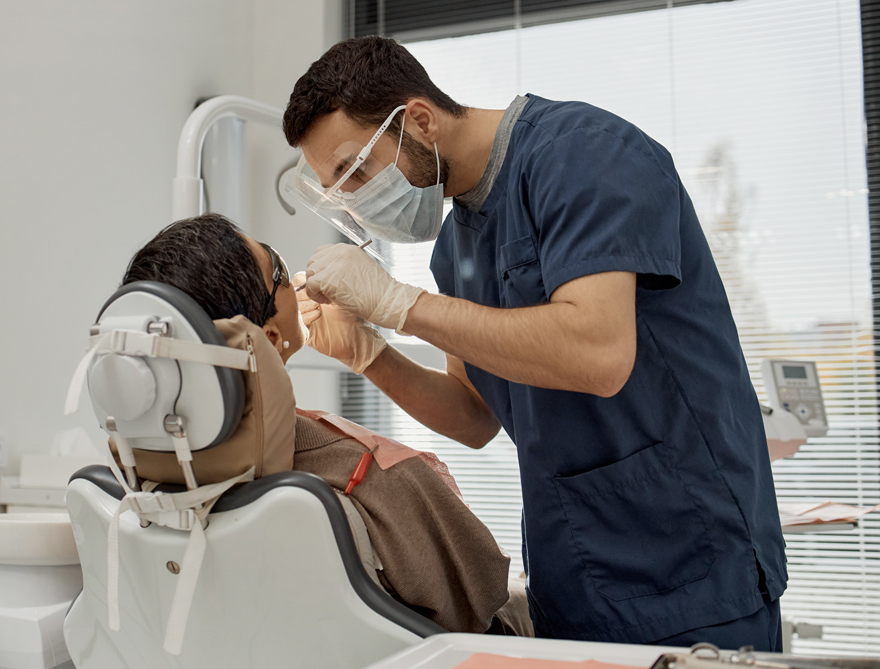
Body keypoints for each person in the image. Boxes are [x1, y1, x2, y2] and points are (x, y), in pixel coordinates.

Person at [283, 36, 786, 650]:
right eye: (338, 188)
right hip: (577, 572)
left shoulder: (584, 154)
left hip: (691, 561)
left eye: (355, 169)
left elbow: (599, 355)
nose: (356, 199)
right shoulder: (456, 245)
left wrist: (399, 305)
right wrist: (368, 354)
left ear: (418, 119)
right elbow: (473, 417)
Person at [118, 213, 532, 636]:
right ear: (272, 339)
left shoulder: (137, 499)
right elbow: (482, 603)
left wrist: (369, 354)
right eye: (278, 268)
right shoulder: (370, 479)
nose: (291, 276)